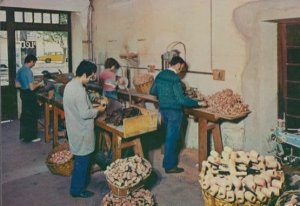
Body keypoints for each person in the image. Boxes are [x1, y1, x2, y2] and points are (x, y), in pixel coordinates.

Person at [150, 56, 207, 174]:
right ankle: (169, 166)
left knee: (167, 136)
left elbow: (153, 91)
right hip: (174, 112)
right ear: (179, 65)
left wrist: (165, 95)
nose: (181, 69)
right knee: (172, 138)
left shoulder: (160, 75)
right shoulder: (175, 78)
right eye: (182, 67)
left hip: (163, 110)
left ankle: (166, 161)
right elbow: (181, 100)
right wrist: (198, 103)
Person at [63, 60, 106, 198]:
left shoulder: (69, 86)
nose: (91, 79)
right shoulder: (80, 90)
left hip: (73, 127)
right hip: (82, 130)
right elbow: (84, 113)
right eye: (91, 76)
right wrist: (98, 110)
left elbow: (78, 108)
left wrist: (92, 106)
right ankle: (77, 190)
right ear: (85, 74)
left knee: (80, 160)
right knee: (82, 162)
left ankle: (77, 186)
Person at [15, 54, 43, 143]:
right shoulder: (28, 71)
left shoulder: (20, 70)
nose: (34, 64)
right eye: (34, 62)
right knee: (32, 116)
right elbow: (31, 88)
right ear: (31, 61)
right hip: (30, 95)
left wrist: (29, 83)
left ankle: (24, 136)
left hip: (23, 95)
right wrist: (39, 84)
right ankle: (32, 137)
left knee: (25, 115)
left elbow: (17, 85)